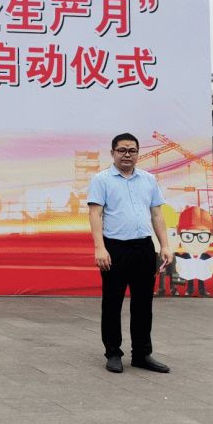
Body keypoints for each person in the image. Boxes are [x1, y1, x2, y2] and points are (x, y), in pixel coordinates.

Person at [88, 133, 173, 374]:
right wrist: (100, 248)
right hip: (115, 248)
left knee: (143, 305)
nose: (127, 154)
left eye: (132, 150)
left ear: (138, 153)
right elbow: (95, 214)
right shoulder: (101, 180)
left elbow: (157, 214)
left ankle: (142, 354)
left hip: (144, 248)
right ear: (113, 152)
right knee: (112, 303)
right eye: (122, 150)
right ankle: (113, 353)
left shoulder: (148, 179)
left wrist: (164, 245)